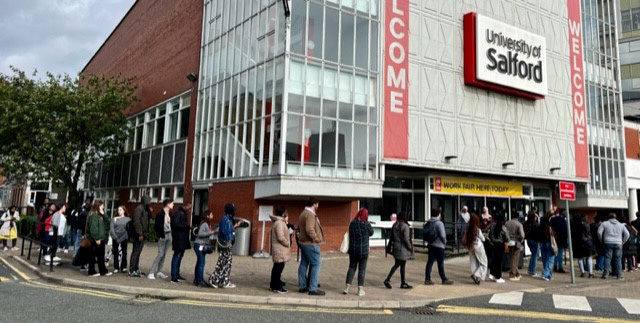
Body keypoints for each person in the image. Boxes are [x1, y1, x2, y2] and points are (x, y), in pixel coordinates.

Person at [297, 197, 326, 296]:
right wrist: (317, 239)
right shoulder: (309, 214)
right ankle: (312, 288)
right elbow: (309, 229)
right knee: (316, 264)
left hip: (303, 243)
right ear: (314, 204)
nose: (318, 206)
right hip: (310, 243)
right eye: (317, 204)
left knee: (304, 263)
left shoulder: (303, 213)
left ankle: (302, 286)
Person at [343, 207, 374, 296]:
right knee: (362, 269)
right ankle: (360, 290)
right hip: (363, 251)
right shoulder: (366, 224)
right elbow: (371, 233)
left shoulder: (352, 223)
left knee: (352, 268)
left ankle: (347, 287)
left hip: (353, 250)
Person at [210, 203, 241, 288]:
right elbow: (224, 231)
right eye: (233, 209)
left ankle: (223, 281)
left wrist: (234, 227)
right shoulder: (225, 219)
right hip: (225, 244)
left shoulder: (227, 218)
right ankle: (214, 280)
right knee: (223, 263)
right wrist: (234, 227)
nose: (235, 211)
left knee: (226, 263)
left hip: (227, 244)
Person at [384, 211, 414, 289]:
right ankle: (398, 282)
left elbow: (392, 237)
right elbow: (406, 239)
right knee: (401, 265)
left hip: (396, 248)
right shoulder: (405, 226)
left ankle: (400, 282)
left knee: (397, 264)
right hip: (403, 249)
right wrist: (410, 248)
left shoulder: (394, 225)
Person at [424, 209, 453, 285]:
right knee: (440, 263)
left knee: (430, 262)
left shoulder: (429, 222)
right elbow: (442, 235)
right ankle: (444, 279)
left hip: (431, 244)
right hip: (439, 245)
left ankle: (427, 279)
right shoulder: (439, 223)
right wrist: (445, 242)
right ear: (438, 214)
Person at [598, 213, 630, 279]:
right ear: (615, 217)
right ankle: (619, 275)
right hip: (618, 243)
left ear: (608, 217)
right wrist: (623, 241)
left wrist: (601, 239)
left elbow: (599, 232)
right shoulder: (621, 225)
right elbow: (627, 234)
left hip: (607, 242)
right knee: (618, 259)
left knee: (607, 258)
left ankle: (606, 274)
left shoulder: (604, 223)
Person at [149, 199, 174, 280]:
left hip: (169, 235)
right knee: (160, 254)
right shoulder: (160, 214)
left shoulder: (169, 213)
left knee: (164, 254)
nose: (173, 205)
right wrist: (159, 235)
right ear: (167, 204)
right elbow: (157, 225)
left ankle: (159, 271)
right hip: (163, 235)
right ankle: (151, 272)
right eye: (172, 203)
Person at [86, 201, 112, 277]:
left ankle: (102, 270)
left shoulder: (100, 215)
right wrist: (96, 238)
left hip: (101, 238)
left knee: (100, 256)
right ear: (98, 206)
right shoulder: (93, 215)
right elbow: (93, 228)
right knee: (93, 256)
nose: (103, 207)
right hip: (96, 239)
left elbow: (108, 222)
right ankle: (92, 271)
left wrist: (104, 214)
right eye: (102, 206)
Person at [129, 195, 152, 277]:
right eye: (149, 201)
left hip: (143, 233)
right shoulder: (139, 209)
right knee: (135, 252)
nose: (150, 202)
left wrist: (150, 211)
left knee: (138, 252)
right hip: (138, 234)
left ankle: (136, 268)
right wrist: (140, 233)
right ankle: (132, 270)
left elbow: (150, 219)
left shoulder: (145, 209)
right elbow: (137, 222)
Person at [270, 206, 291, 294]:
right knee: (278, 268)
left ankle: (274, 284)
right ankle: (276, 286)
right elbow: (280, 237)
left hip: (279, 248)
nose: (286, 214)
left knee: (277, 267)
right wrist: (287, 243)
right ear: (283, 213)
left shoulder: (279, 222)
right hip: (280, 249)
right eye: (285, 212)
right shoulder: (279, 223)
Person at [170, 203, 192, 283]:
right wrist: (186, 227)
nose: (190, 211)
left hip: (181, 238)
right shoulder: (179, 213)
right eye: (189, 208)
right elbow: (175, 224)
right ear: (185, 207)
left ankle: (176, 274)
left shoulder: (181, 213)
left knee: (179, 256)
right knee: (177, 256)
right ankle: (174, 275)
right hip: (179, 238)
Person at [464, 214, 487, 284]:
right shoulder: (477, 229)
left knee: (473, 263)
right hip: (478, 246)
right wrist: (485, 236)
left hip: (471, 247)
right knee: (484, 263)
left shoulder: (468, 229)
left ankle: (476, 277)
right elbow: (483, 239)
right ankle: (476, 275)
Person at [193, 210, 214, 287]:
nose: (213, 215)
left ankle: (197, 279)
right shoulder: (204, 223)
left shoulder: (208, 224)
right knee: (201, 263)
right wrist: (211, 233)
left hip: (201, 245)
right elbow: (200, 234)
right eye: (211, 214)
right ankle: (200, 280)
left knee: (199, 262)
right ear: (207, 216)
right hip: (199, 245)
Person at [571, 214, 594, 278]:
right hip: (587, 242)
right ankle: (590, 273)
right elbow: (589, 233)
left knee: (580, 258)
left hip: (578, 243)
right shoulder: (586, 225)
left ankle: (582, 272)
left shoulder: (573, 226)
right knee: (589, 257)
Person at [488, 215, 510, 283]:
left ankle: (492, 274)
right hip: (500, 245)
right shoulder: (503, 228)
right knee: (499, 261)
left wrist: (493, 241)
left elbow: (490, 235)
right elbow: (507, 238)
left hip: (494, 244)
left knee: (494, 259)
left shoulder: (492, 226)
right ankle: (498, 277)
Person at [109, 206, 130, 274]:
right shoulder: (114, 219)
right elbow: (111, 230)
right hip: (115, 237)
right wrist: (115, 237)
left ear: (124, 211)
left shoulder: (128, 219)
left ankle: (124, 267)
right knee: (115, 252)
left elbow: (128, 230)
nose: (119, 211)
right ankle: (116, 267)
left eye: (120, 210)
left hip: (124, 237)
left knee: (124, 252)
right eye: (118, 210)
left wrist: (121, 238)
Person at [505, 214, 525, 281]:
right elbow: (522, 235)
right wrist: (521, 240)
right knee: (515, 259)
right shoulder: (519, 224)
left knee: (512, 257)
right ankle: (512, 274)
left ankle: (517, 273)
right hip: (516, 242)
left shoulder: (507, 223)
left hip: (509, 241)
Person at [524, 211, 541, 276]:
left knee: (533, 255)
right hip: (535, 241)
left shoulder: (525, 223)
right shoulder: (536, 224)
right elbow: (539, 233)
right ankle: (532, 271)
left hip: (528, 240)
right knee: (534, 256)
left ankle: (530, 269)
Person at [539, 214, 555, 281]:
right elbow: (553, 235)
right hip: (549, 243)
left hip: (542, 243)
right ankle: (545, 274)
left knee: (545, 260)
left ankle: (549, 275)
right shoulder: (549, 227)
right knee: (550, 259)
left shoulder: (540, 227)